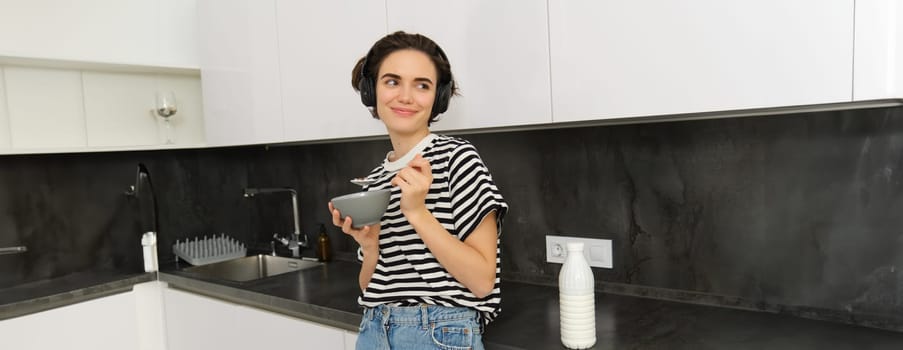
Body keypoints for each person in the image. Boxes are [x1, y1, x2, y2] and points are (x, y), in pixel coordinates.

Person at [328, 31, 508, 350]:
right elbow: (372, 286)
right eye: (392, 81)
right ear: (372, 90)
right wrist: (370, 248)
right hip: (374, 328)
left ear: (437, 96)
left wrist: (417, 213)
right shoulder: (377, 179)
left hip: (439, 331)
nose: (406, 96)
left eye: (422, 85)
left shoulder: (458, 158)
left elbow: (482, 282)